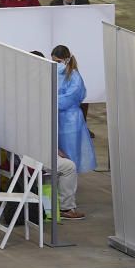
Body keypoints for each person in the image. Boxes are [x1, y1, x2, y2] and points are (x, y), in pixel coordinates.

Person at [52, 46, 97, 175]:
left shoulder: (75, 77)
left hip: (70, 122)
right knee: (57, 153)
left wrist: (49, 98)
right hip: (57, 119)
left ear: (65, 60)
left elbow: (69, 98)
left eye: (57, 61)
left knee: (71, 154)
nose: (55, 64)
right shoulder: (55, 74)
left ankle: (70, 181)